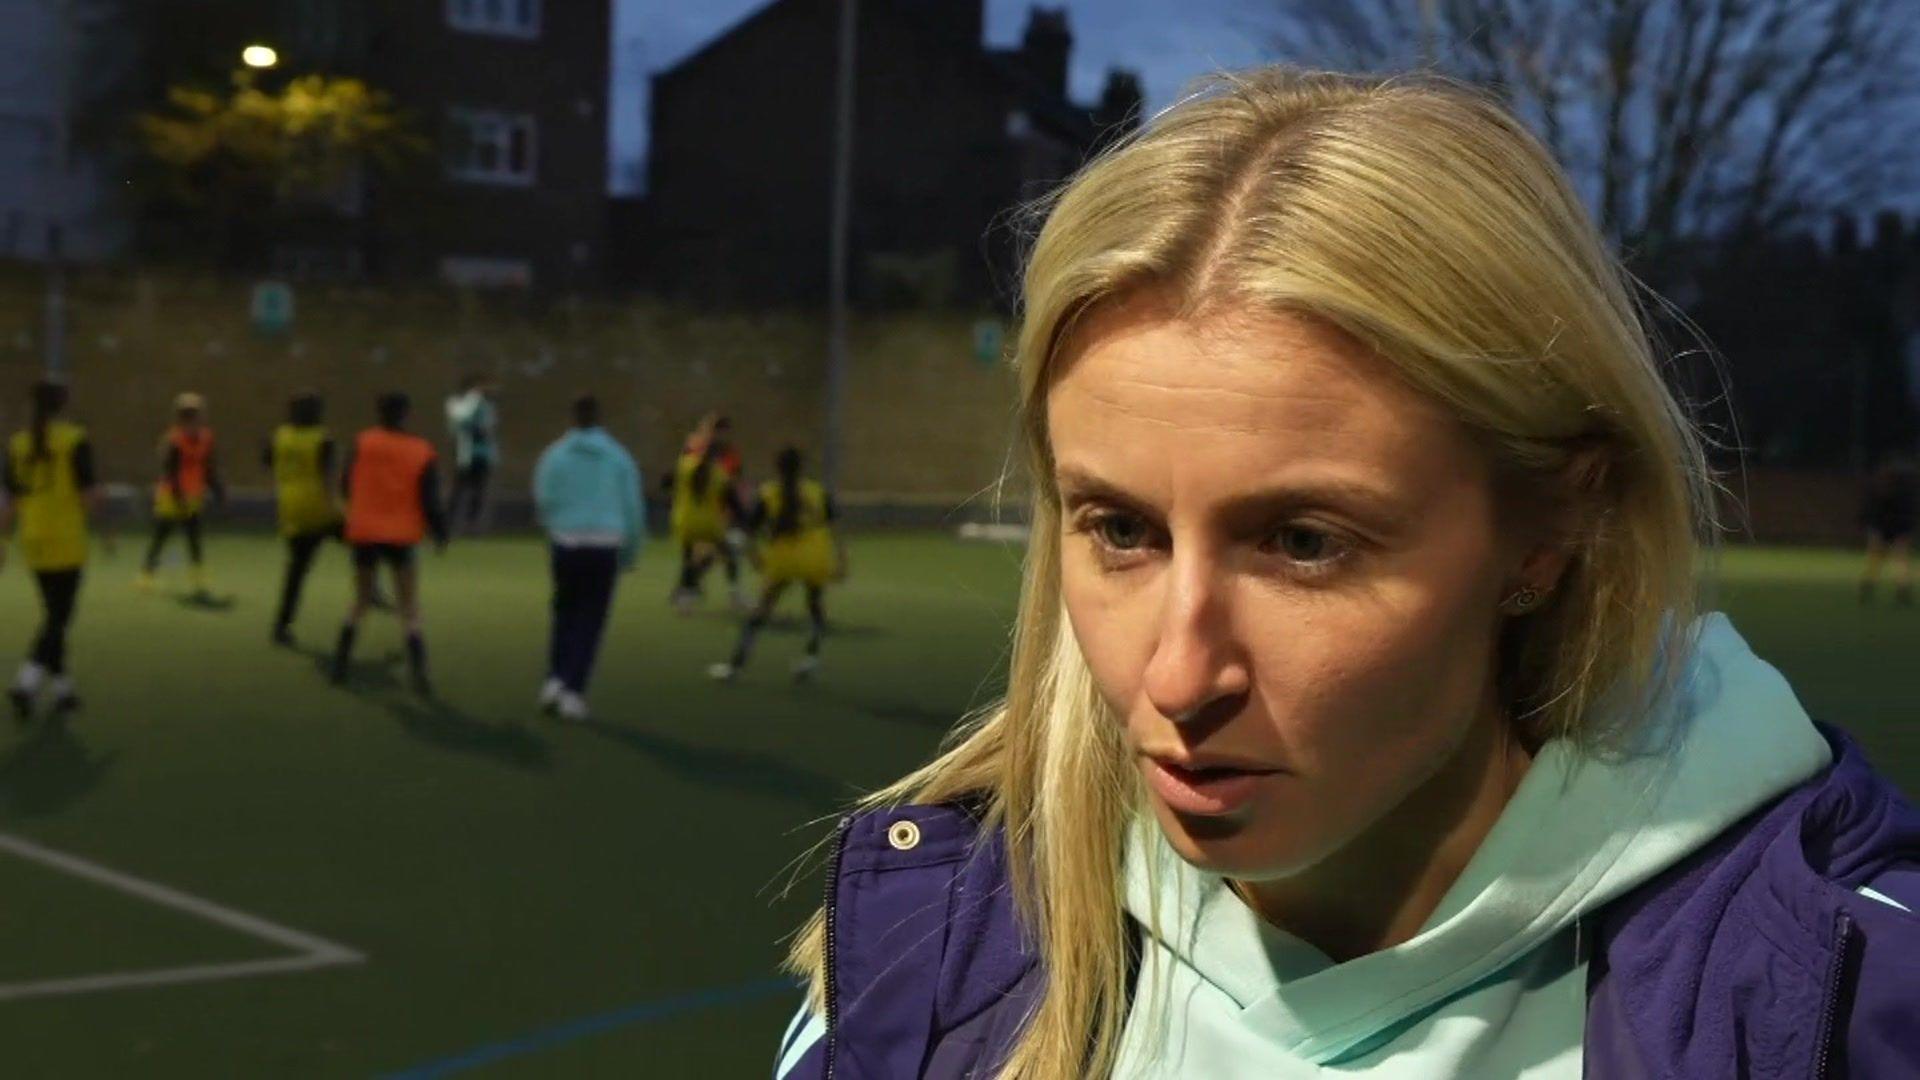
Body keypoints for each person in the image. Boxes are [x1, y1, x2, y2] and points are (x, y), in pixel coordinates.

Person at [772, 70, 1919, 1080]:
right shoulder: (919, 961)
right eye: (1121, 530)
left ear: (1552, 530)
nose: (1178, 675)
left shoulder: (1848, 993)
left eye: (1304, 543)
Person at [532, 394, 644, 722]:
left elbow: (544, 499)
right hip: (604, 543)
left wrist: (553, 530)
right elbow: (633, 509)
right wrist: (631, 551)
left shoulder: (553, 455)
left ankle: (555, 679)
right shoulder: (618, 457)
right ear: (599, 418)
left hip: (565, 541)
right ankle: (573, 689)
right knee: (590, 619)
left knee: (563, 611)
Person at [331, 392, 447, 695]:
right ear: (406, 414)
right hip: (402, 533)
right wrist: (440, 532)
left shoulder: (362, 443)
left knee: (361, 600)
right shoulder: (421, 450)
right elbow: (430, 499)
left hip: (365, 530)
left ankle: (340, 664)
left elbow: (346, 484)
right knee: (408, 606)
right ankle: (419, 672)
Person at [2, 380, 103, 721]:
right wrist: (103, 519)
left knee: (53, 617)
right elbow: (88, 494)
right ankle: (26, 683)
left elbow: (9, 501)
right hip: (66, 538)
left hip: (33, 539)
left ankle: (64, 691)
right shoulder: (74, 439)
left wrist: (3, 539)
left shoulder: (16, 444)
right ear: (63, 404)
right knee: (59, 618)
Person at [708, 446, 846, 683]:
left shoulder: (768, 492)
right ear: (801, 467)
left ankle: (735, 666)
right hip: (816, 557)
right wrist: (842, 560)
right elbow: (835, 528)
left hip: (783, 560)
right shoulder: (817, 491)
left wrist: (754, 558)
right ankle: (811, 659)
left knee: (760, 612)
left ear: (777, 468)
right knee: (815, 607)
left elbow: (749, 531)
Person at [267, 391, 343, 646]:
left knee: (296, 571)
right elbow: (329, 478)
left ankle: (281, 625)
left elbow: (269, 461)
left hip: (290, 508)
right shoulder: (323, 439)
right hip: (320, 508)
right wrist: (337, 509)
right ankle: (372, 590)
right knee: (365, 544)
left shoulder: (280, 436)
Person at [139, 392, 223, 596]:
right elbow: (170, 472)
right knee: (162, 535)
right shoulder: (174, 440)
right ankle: (146, 576)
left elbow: (208, 467)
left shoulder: (206, 438)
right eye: (194, 415)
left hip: (193, 495)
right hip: (172, 496)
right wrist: (179, 497)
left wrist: (218, 489)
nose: (199, 419)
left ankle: (198, 579)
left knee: (194, 537)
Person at [668, 422, 748, 613]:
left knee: (691, 559)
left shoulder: (685, 464)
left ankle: (684, 597)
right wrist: (745, 522)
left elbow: (669, 483)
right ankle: (735, 595)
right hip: (709, 524)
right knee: (728, 554)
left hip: (684, 520)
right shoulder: (719, 473)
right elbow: (731, 499)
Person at [445, 374, 498, 534]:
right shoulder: (460, 405)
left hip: (482, 455)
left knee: (477, 490)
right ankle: (449, 522)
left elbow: (487, 429)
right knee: (460, 489)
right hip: (467, 455)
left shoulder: (486, 407)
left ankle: (471, 524)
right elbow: (458, 425)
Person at [1857, 456, 1914, 605]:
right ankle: (1900, 589)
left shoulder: (1879, 490)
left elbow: (1870, 510)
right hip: (1896, 527)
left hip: (1884, 527)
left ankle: (1870, 586)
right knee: (1897, 559)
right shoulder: (1902, 491)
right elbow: (1908, 510)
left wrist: (1867, 523)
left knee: (1878, 558)